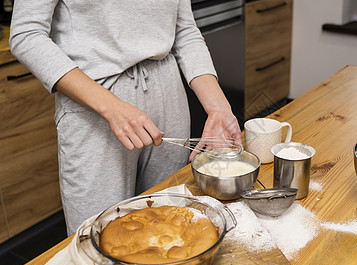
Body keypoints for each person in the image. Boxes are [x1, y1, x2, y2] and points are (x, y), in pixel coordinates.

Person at [9, 0, 242, 235]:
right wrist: (112, 108)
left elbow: (184, 31)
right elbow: (26, 35)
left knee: (170, 230)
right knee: (96, 238)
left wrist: (219, 108)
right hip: (96, 106)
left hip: (169, 97)